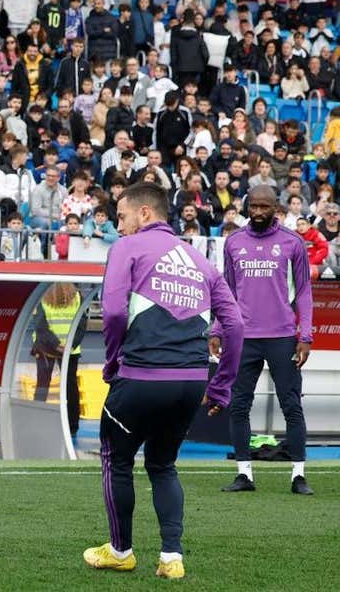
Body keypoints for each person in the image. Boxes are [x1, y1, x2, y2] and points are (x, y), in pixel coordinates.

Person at [84, 182, 242, 579]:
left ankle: (120, 551)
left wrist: (112, 361)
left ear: (144, 214)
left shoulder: (127, 248)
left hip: (141, 376)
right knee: (163, 464)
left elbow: (115, 313)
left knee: (116, 459)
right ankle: (172, 557)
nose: (118, 226)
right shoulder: (201, 261)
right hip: (191, 382)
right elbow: (236, 324)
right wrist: (220, 385)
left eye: (120, 217)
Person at [212, 186, 314, 495]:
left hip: (283, 336)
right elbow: (226, 292)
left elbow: (305, 291)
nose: (258, 212)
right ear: (246, 207)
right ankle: (245, 474)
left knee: (291, 405)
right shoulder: (234, 242)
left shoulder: (293, 242)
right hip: (242, 338)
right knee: (239, 406)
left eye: (264, 207)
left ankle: (298, 476)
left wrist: (305, 335)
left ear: (275, 208)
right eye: (253, 206)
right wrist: (217, 329)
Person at [30, 282, 87, 437]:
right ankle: (72, 426)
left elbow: (40, 327)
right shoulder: (78, 297)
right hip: (70, 350)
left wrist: (56, 345)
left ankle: (36, 422)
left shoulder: (42, 297)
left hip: (46, 348)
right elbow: (82, 325)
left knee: (42, 385)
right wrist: (69, 345)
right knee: (70, 387)